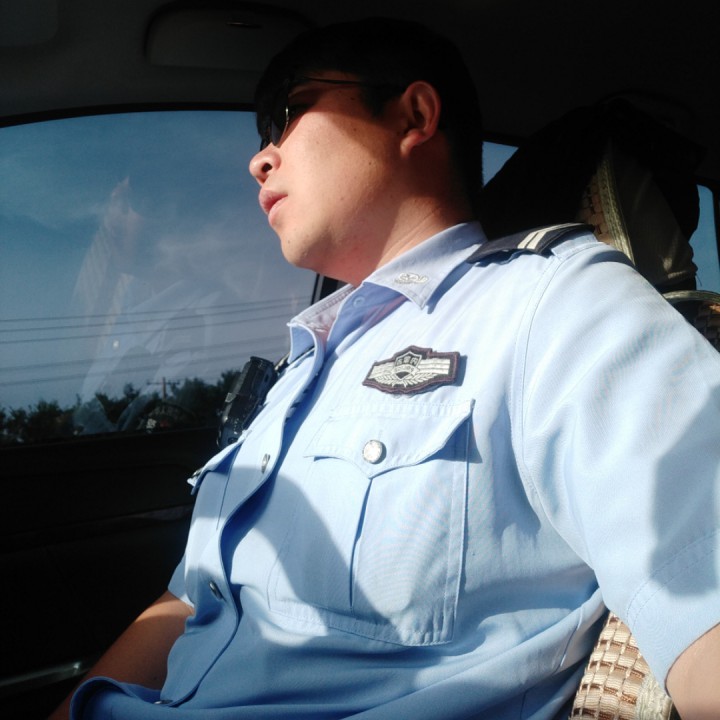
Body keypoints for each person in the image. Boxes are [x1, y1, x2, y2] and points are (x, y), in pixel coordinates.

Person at [50, 16, 720, 720]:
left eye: (289, 113)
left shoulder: (552, 304)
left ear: (415, 115)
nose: (260, 160)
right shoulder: (298, 373)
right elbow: (191, 597)